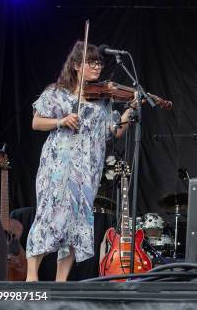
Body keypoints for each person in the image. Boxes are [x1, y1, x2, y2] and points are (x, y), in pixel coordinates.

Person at [26, 41, 134, 282]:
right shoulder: (57, 92)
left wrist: (130, 110)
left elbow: (113, 132)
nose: (97, 67)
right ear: (76, 65)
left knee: (77, 222)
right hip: (58, 166)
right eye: (91, 62)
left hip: (88, 169)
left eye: (99, 63)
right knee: (49, 216)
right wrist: (61, 121)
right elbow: (36, 122)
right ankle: (31, 278)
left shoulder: (102, 99)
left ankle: (61, 281)